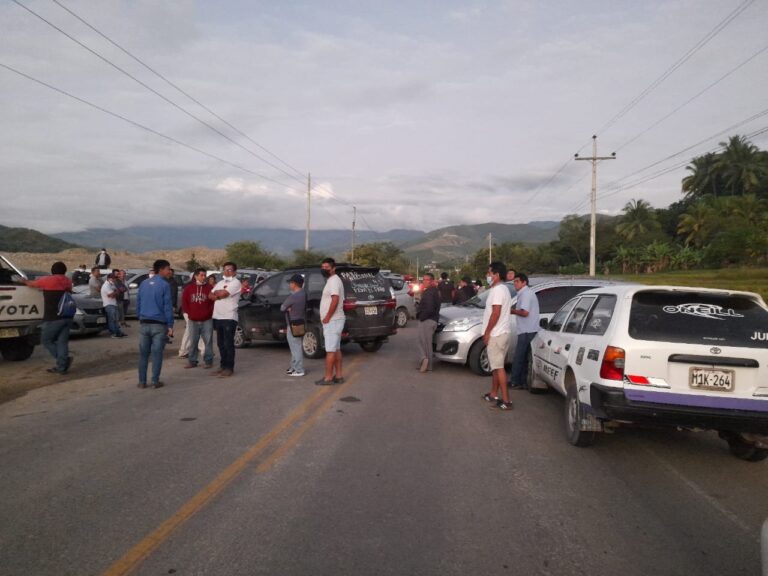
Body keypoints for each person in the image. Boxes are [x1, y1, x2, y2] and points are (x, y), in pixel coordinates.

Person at [20, 262, 74, 374]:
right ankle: (61, 367)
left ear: (52, 270)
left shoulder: (48, 280)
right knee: (62, 342)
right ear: (64, 270)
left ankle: (62, 361)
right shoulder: (67, 281)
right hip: (67, 316)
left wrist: (24, 281)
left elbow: (32, 284)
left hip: (53, 318)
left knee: (46, 340)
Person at [136, 259, 175, 389]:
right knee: (157, 354)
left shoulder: (143, 284)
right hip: (159, 324)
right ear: (161, 269)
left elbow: (138, 302)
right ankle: (154, 381)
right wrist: (170, 325)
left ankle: (142, 381)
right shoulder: (164, 285)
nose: (169, 271)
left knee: (143, 354)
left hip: (144, 323)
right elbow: (167, 306)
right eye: (168, 269)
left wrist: (140, 317)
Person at [481, 261, 513, 411]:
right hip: (502, 333)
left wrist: (487, 332)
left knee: (499, 367)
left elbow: (496, 313)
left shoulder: (498, 290)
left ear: (497, 275)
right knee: (496, 366)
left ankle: (506, 400)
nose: (487, 276)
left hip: (497, 334)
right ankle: (494, 393)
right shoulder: (503, 289)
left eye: (489, 273)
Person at [209, 262, 241, 378]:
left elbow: (224, 293)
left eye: (230, 270)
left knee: (228, 343)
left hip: (229, 317)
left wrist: (218, 294)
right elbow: (209, 295)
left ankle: (229, 368)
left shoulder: (236, 283)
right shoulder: (220, 282)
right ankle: (222, 366)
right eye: (225, 270)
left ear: (235, 272)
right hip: (217, 316)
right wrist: (219, 294)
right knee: (220, 344)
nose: (227, 272)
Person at [509, 272, 541, 391]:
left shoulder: (526, 294)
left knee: (519, 357)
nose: (515, 284)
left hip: (527, 330)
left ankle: (515, 381)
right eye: (514, 282)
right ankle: (521, 382)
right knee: (523, 358)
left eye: (517, 281)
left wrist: (512, 311)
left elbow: (525, 312)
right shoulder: (524, 293)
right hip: (527, 329)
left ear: (524, 282)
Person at [316, 257, 345, 385]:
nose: (324, 270)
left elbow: (335, 300)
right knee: (336, 349)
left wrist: (327, 316)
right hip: (336, 320)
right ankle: (338, 376)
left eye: (327, 267)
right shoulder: (333, 280)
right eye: (323, 267)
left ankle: (328, 377)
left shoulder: (333, 281)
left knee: (330, 351)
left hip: (333, 321)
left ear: (333, 269)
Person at [180, 267, 214, 369]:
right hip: (193, 319)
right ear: (196, 276)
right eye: (201, 275)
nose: (203, 277)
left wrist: (209, 313)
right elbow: (184, 302)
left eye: (205, 275)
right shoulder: (189, 289)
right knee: (193, 341)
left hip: (207, 319)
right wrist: (190, 314)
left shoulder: (209, 288)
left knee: (208, 341)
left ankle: (208, 361)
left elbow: (213, 302)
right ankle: (192, 361)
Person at [280, 274, 307, 377]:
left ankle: (299, 369)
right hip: (300, 322)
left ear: (295, 284)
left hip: (292, 324)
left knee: (295, 347)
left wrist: (288, 308)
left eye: (290, 283)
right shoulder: (303, 294)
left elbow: (282, 307)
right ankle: (293, 367)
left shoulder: (294, 296)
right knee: (295, 346)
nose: (289, 285)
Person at [416, 272, 440, 372]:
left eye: (427, 280)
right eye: (424, 280)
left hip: (428, 320)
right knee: (426, 343)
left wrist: (422, 317)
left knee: (422, 342)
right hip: (432, 319)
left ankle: (424, 359)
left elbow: (429, 308)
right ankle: (427, 365)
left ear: (432, 281)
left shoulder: (430, 292)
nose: (424, 282)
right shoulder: (433, 291)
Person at [101, 272, 126, 338]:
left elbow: (118, 291)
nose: (114, 280)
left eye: (115, 278)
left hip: (113, 304)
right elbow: (111, 295)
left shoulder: (111, 284)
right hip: (108, 304)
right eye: (113, 278)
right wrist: (117, 291)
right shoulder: (106, 286)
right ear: (109, 278)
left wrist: (117, 292)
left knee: (116, 319)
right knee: (112, 319)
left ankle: (118, 332)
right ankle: (113, 333)